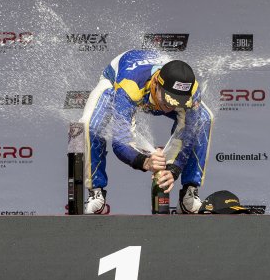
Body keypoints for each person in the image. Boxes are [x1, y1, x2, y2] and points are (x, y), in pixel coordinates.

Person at [80, 50, 212, 215]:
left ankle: (189, 193)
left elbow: (188, 134)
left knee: (204, 120)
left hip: (151, 86)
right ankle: (96, 192)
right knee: (90, 124)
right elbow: (120, 141)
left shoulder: (192, 93)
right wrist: (145, 162)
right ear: (156, 83)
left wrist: (174, 169)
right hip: (116, 81)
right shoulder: (129, 87)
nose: (171, 107)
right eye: (169, 100)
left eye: (178, 103)